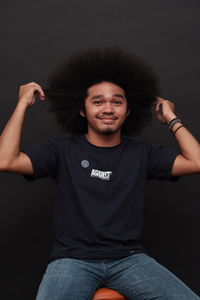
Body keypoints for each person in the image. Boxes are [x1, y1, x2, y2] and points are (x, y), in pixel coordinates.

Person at [0, 47, 199, 300]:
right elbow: (4, 160)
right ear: (82, 110)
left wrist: (171, 118)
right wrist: (21, 105)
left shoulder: (143, 154)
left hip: (130, 260)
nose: (108, 108)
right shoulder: (60, 150)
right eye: (98, 101)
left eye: (117, 102)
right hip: (72, 260)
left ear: (128, 111)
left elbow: (197, 162)